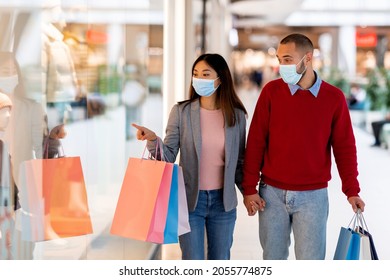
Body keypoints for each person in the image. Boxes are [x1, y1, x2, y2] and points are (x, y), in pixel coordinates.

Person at [242, 33, 365, 260]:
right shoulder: (271, 93)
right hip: (271, 195)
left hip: (313, 198)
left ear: (307, 59)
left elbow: (345, 147)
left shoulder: (333, 98)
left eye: (288, 59)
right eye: (279, 59)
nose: (282, 66)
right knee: (273, 259)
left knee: (311, 262)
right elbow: (256, 141)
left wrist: (352, 190)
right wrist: (249, 188)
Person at [132, 53, 247, 260]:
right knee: (192, 261)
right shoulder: (182, 112)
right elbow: (167, 156)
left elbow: (239, 163)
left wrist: (249, 193)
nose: (199, 79)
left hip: (224, 203)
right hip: (190, 201)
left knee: (221, 261)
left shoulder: (236, 115)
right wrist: (152, 139)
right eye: (196, 74)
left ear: (220, 79)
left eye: (205, 74)